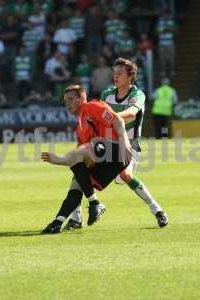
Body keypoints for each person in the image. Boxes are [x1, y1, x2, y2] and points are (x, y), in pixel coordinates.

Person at [66, 58, 169, 230]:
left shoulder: (138, 95)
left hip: (129, 145)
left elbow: (132, 113)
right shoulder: (107, 93)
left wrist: (114, 118)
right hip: (107, 144)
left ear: (131, 76)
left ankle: (157, 210)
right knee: (79, 171)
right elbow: (99, 115)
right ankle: (76, 218)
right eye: (114, 73)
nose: (115, 76)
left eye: (120, 73)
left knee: (125, 176)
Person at [41, 84, 132, 234]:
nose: (67, 104)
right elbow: (75, 159)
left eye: (71, 99)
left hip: (116, 151)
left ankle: (94, 202)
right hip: (106, 160)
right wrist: (58, 160)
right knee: (76, 182)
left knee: (80, 151)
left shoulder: (92, 107)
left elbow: (118, 121)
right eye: (65, 101)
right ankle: (58, 221)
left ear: (81, 99)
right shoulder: (80, 125)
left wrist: (125, 142)